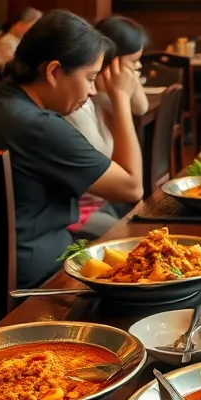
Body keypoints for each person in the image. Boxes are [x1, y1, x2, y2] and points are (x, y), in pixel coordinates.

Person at [0, 9, 144, 288]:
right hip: (32, 275)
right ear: (54, 71)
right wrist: (120, 97)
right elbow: (131, 187)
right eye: (90, 78)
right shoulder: (39, 125)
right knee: (139, 269)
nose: (92, 91)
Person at [66, 15, 149, 237]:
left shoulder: (100, 97)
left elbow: (141, 106)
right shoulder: (77, 105)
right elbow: (129, 187)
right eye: (133, 62)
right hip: (78, 213)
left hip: (102, 203)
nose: (138, 67)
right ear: (109, 62)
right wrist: (121, 96)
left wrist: (123, 88)